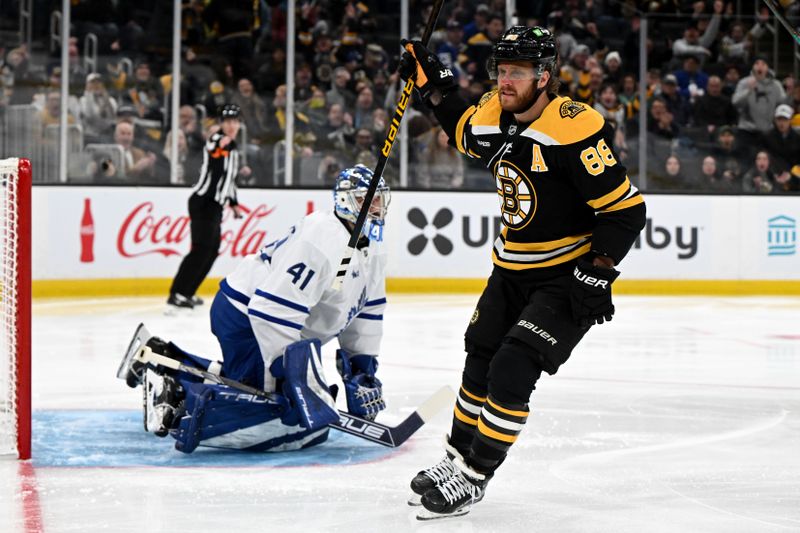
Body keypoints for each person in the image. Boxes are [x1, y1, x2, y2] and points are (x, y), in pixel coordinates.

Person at [398, 26, 646, 520]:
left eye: (516, 73)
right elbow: (460, 127)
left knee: (512, 367)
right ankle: (454, 459)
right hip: (509, 269)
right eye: (501, 70)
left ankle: (473, 477)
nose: (504, 81)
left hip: (563, 276)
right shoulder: (492, 111)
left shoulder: (574, 127)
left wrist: (597, 271)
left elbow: (625, 211)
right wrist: (433, 85)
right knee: (478, 364)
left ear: (545, 77)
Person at [117, 165, 391, 452]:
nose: (376, 206)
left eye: (379, 199)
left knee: (281, 405)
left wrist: (362, 370)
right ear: (344, 201)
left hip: (271, 322)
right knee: (292, 424)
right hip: (247, 317)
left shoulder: (373, 248)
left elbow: (367, 311)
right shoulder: (323, 239)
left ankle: (162, 359)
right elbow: (271, 310)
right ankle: (176, 404)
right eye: (366, 199)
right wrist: (295, 376)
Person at [167, 104, 249, 311]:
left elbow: (229, 179)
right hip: (203, 202)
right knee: (200, 250)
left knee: (211, 251)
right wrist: (222, 143)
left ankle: (188, 292)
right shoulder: (217, 141)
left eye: (234, 121)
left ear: (239, 124)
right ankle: (177, 292)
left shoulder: (234, 148)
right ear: (221, 124)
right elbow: (214, 150)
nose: (231, 125)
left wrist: (234, 203)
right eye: (227, 121)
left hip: (215, 206)